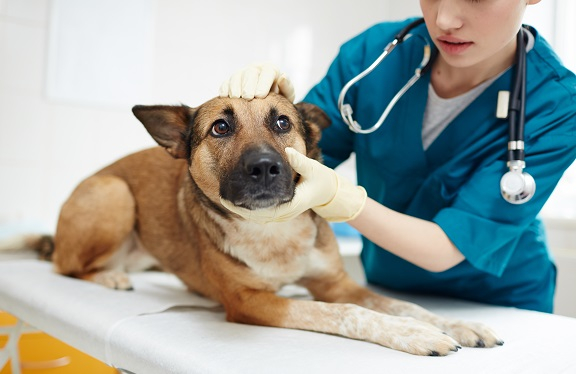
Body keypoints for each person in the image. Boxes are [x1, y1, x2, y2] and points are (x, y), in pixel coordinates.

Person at [218, 0, 576, 313]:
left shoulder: (557, 104)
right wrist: (276, 116)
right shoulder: (372, 55)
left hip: (501, 305)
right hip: (386, 288)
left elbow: (446, 248)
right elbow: (301, 163)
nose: (445, 19)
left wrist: (343, 201)